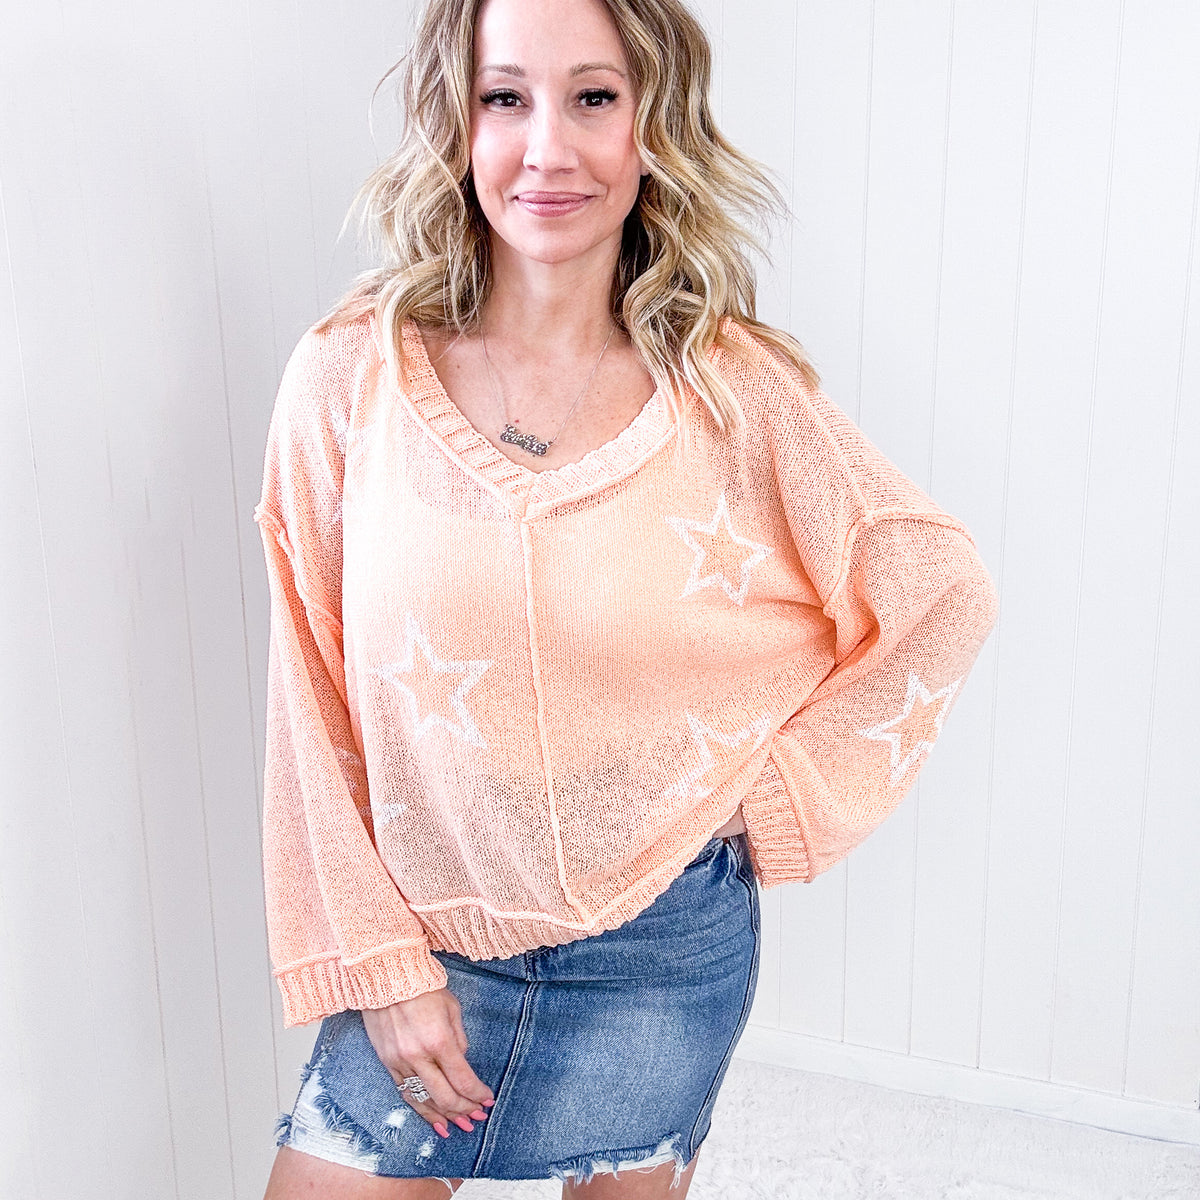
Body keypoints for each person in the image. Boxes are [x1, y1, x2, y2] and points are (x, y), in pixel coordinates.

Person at [253, 0, 999, 1195]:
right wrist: (378, 963)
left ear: (653, 126)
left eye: (593, 97)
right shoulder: (351, 373)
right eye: (506, 97)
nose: (548, 147)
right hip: (431, 938)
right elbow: (311, 696)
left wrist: (773, 792)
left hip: (663, 941)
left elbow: (938, 589)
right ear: (456, 123)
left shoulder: (734, 389)